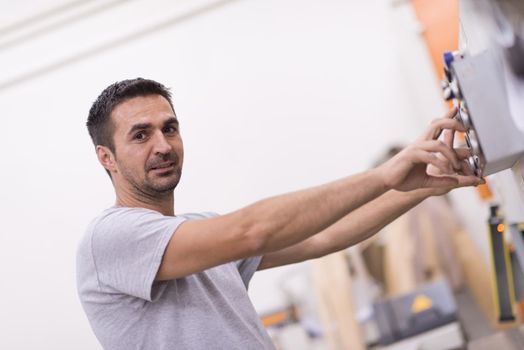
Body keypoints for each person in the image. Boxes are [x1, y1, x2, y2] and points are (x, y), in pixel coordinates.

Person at [76, 78, 482, 350]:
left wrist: (419, 186)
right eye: (141, 134)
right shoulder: (110, 238)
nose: (163, 145)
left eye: (170, 128)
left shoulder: (199, 231)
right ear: (106, 157)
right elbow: (252, 231)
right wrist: (382, 176)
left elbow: (326, 237)